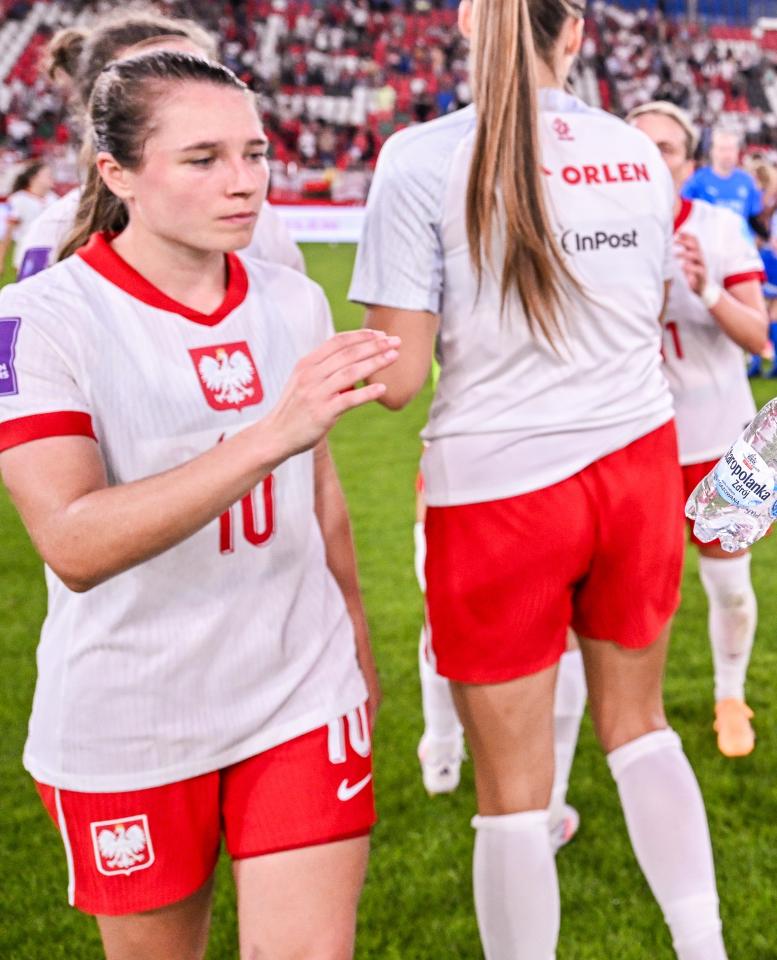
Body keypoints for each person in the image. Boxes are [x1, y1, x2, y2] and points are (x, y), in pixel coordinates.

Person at [0, 51, 399, 960]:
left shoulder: (293, 300)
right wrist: (268, 433)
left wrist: (356, 653)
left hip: (300, 690)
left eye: (255, 154)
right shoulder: (40, 319)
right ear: (117, 174)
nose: (245, 183)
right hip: (130, 712)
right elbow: (73, 540)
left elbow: (320, 499)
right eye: (203, 158)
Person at [349, 1, 728, 958]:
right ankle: (704, 947)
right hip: (636, 465)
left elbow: (394, 380)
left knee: (512, 796)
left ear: (471, 28)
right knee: (639, 730)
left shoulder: (419, 157)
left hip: (500, 489)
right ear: (577, 34)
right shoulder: (636, 155)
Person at [629, 101, 768, 757]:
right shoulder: (595, 231)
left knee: (728, 585)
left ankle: (728, 696)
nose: (654, 160)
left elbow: (758, 339)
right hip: (634, 444)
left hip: (718, 440)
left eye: (666, 148)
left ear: (686, 163)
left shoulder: (716, 226)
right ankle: (637, 720)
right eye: (640, 147)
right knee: (634, 599)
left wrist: (705, 288)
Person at [15, 8, 305, 281]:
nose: (199, 91)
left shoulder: (263, 228)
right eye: (159, 77)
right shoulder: (56, 233)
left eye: (206, 72)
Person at [682, 127, 766, 240]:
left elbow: (754, 217)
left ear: (737, 151)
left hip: (739, 244)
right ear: (712, 151)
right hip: (708, 244)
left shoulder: (747, 181)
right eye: (722, 149)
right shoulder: (697, 180)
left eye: (731, 149)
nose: (727, 154)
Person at [6, 160, 56, 275]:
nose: (51, 177)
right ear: (34, 178)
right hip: (27, 254)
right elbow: (9, 231)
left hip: (50, 254)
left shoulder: (54, 199)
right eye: (47, 175)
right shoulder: (19, 199)